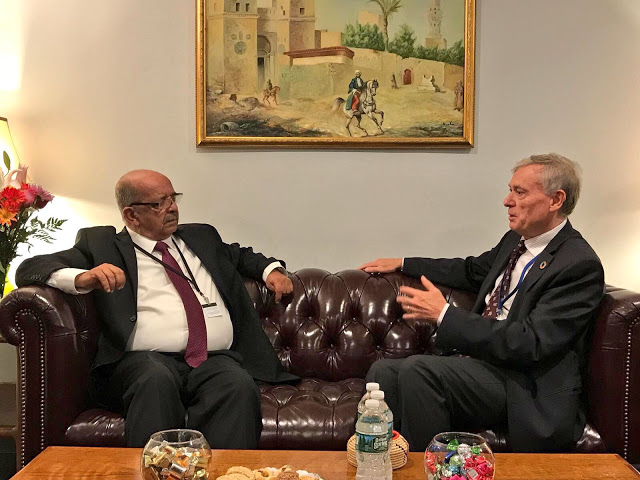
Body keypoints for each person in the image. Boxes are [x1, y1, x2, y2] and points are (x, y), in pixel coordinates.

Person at [16, 169, 298, 449]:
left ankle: (224, 471)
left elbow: (242, 255)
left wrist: (271, 271)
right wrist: (82, 277)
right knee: (155, 380)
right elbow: (30, 268)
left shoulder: (202, 237)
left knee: (237, 384)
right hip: (143, 360)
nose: (172, 208)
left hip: (214, 359)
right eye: (159, 203)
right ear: (131, 215)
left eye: (173, 198)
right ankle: (156, 470)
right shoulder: (102, 245)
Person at [357, 154, 604, 453]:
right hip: (482, 365)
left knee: (419, 371)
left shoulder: (577, 264)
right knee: (383, 372)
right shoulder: (515, 241)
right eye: (510, 190)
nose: (507, 201)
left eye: (520, 192)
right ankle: (384, 464)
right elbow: (470, 270)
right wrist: (404, 262)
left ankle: (435, 469)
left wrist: (445, 315)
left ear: (556, 200)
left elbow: (532, 343)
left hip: (523, 383)